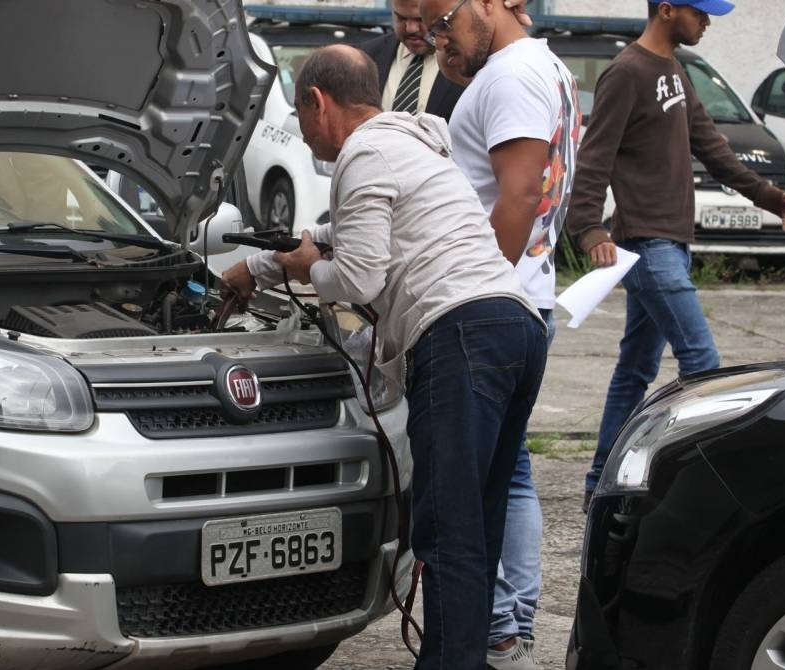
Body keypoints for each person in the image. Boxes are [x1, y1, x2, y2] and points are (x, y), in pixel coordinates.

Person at [219, 45, 548, 670]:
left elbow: (359, 276)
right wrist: (257, 268)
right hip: (515, 327)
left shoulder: (363, 153)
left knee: (446, 531)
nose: (303, 128)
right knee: (478, 523)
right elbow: (335, 240)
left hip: (460, 336)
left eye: (300, 112)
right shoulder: (413, 146)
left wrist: (313, 269)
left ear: (319, 102)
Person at [566, 0, 785, 510]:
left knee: (635, 369)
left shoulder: (673, 70)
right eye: (700, 12)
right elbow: (594, 157)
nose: (708, 22)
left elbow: (713, 147)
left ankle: (599, 486)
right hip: (648, 245)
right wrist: (589, 229)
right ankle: (700, 481)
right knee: (704, 363)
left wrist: (767, 196)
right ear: (668, 10)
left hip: (670, 242)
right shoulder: (627, 72)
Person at [425, 0, 580, 666]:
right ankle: (499, 635)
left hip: (485, 312)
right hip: (520, 304)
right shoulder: (543, 68)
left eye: (444, 19)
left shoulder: (513, 74)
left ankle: (488, 638)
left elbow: (517, 195)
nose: (438, 38)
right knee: (494, 491)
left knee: (456, 516)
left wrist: (469, 289)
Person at [359, 0, 465, 119]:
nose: (411, 29)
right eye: (401, 18)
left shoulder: (470, 61)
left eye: (420, 19)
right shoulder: (365, 57)